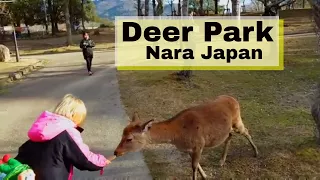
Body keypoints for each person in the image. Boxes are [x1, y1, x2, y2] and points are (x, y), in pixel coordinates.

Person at [15, 94, 110, 180]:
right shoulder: (67, 132)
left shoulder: (41, 129)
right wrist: (101, 161)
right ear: (74, 115)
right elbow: (83, 158)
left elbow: (23, 154)